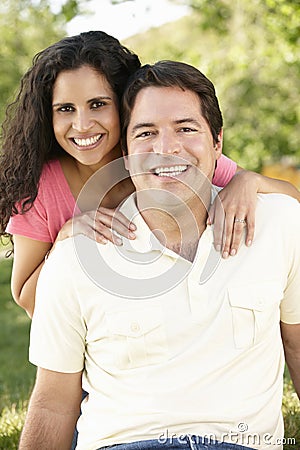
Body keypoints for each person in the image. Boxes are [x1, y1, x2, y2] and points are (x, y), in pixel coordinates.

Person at [19, 60, 300, 450]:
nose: (166, 148)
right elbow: (52, 404)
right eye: (147, 132)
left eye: (186, 129)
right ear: (126, 149)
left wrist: (251, 180)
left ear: (217, 141)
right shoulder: (74, 254)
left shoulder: (278, 223)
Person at [0, 32, 299, 320]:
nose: (82, 125)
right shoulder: (39, 189)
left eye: (98, 104)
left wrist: (249, 181)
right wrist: (65, 240)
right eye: (65, 109)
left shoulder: (161, 162)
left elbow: (292, 201)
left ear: (125, 106)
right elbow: (27, 299)